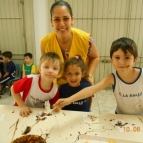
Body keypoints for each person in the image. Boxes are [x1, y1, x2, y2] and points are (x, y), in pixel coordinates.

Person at [54, 37, 143, 115]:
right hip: (120, 116)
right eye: (117, 57)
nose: (121, 62)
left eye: (127, 57)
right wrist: (68, 100)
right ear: (111, 59)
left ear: (135, 59)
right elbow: (91, 90)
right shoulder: (112, 78)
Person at [40, 1, 100, 86]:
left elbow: (95, 57)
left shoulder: (86, 39)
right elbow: (44, 65)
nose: (61, 24)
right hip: (58, 88)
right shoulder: (44, 43)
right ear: (51, 22)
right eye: (56, 19)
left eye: (66, 18)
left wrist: (89, 75)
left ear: (72, 19)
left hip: (81, 83)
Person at [11, 52, 62, 117]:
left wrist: (56, 107)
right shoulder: (30, 79)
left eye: (55, 68)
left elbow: (54, 106)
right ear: (40, 69)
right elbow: (13, 88)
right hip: (20, 108)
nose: (50, 71)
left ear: (59, 72)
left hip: (37, 112)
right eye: (46, 67)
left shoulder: (55, 91)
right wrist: (22, 106)